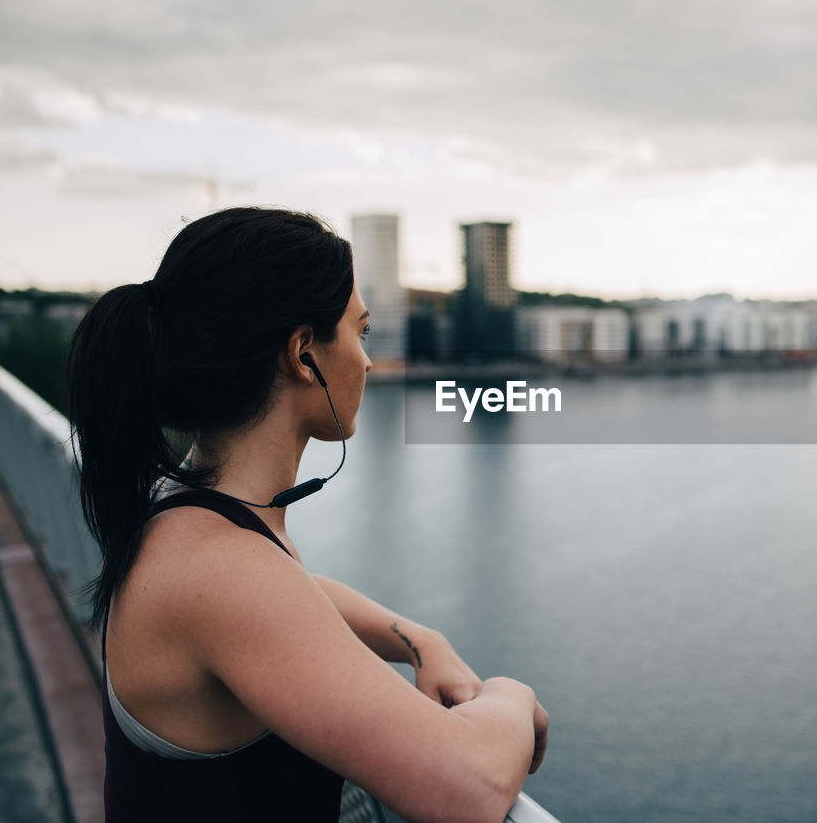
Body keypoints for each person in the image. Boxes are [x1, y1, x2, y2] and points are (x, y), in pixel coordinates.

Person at [67, 207, 547, 823]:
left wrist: (418, 641)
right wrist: (512, 695)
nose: (368, 362)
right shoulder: (220, 568)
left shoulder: (180, 513)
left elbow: (293, 597)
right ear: (303, 354)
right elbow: (467, 788)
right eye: (360, 333)